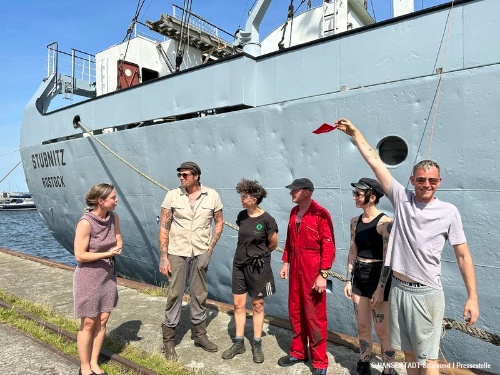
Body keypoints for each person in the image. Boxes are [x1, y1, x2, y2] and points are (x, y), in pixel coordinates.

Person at [336, 118, 479, 374]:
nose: (426, 185)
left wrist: (472, 297)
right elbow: (375, 161)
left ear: (440, 181)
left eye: (432, 181)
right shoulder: (402, 200)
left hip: (426, 293)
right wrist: (355, 133)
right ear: (412, 179)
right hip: (399, 289)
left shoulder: (449, 212)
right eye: (421, 179)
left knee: (429, 360)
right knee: (409, 355)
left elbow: (463, 255)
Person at [158, 161, 224, 360]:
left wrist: (210, 248)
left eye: (185, 175)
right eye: (180, 175)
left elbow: (219, 221)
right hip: (177, 252)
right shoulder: (172, 195)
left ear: (196, 176)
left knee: (199, 294)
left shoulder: (211, 195)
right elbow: (164, 227)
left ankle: (200, 335)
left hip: (201, 251)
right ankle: (168, 340)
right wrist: (163, 257)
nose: (181, 178)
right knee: (175, 294)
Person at [279, 178, 336, 375]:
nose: (291, 193)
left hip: (313, 269)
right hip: (296, 266)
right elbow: (289, 240)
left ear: (306, 191)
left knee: (315, 316)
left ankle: (320, 362)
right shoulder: (294, 212)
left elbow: (328, 246)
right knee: (295, 310)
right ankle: (298, 352)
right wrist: (286, 261)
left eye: (294, 190)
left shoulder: (321, 214)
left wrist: (323, 274)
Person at [222, 179, 278, 364]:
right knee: (238, 304)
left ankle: (256, 343)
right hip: (239, 264)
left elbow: (273, 243)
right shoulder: (241, 216)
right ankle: (239, 342)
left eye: (244, 196)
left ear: (254, 199)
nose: (241, 199)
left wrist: (259, 255)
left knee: (257, 305)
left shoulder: (267, 220)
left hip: (258, 267)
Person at [344, 178, 395, 375]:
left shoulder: (385, 224)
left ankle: (388, 368)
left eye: (358, 194)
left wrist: (381, 288)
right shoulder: (355, 222)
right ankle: (364, 361)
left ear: (372, 197)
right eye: (354, 193)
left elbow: (388, 259)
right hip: (359, 278)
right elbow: (352, 251)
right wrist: (348, 279)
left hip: (378, 279)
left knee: (382, 330)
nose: (354, 197)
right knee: (362, 325)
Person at [73, 183, 123, 375]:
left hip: (107, 275)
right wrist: (106, 253)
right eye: (113, 198)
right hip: (89, 276)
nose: (116, 200)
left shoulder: (113, 217)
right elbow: (79, 255)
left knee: (102, 320)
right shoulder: (85, 223)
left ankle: (94, 362)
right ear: (101, 201)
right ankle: (84, 368)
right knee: (88, 323)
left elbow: (118, 238)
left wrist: (117, 248)